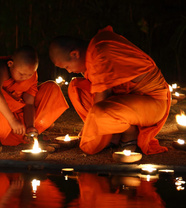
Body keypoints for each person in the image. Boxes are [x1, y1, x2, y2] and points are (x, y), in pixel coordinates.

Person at [49, 26, 171, 155]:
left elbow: (101, 100)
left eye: (67, 66)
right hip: (127, 102)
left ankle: (130, 132)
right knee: (76, 88)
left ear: (75, 54)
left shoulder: (101, 52)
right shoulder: (94, 52)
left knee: (98, 118)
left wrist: (89, 134)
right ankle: (116, 132)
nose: (69, 71)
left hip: (152, 103)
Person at [0, 46, 68, 150]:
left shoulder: (31, 75)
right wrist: (12, 120)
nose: (25, 78)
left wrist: (30, 126)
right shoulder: (1, 68)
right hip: (0, 111)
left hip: (20, 111)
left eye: (29, 74)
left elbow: (29, 103)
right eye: (21, 74)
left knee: (52, 88)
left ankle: (29, 133)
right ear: (10, 64)